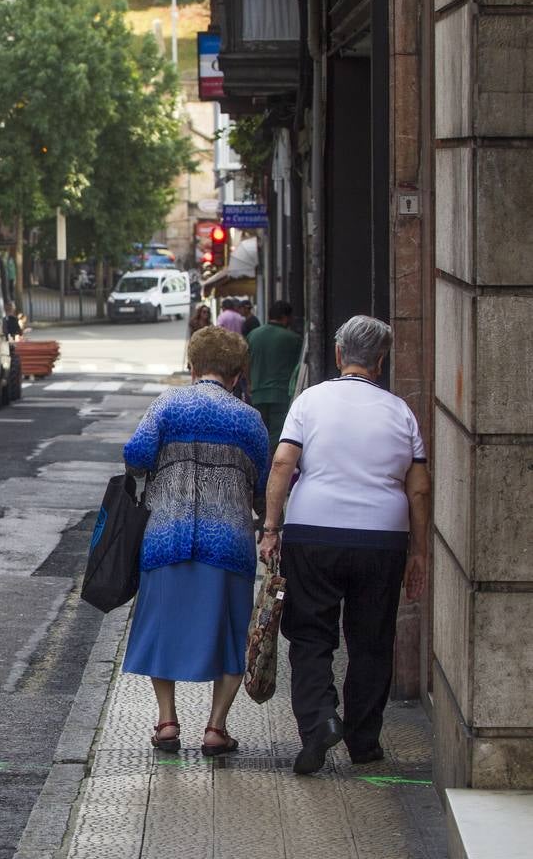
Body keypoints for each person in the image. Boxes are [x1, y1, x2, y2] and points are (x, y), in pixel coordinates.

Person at [259, 316, 429, 775]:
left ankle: (318, 722)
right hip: (383, 540)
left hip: (314, 533)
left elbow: (281, 464)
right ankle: (363, 742)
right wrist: (419, 551)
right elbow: (418, 489)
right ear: (380, 360)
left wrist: (272, 527)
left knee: (310, 634)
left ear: (339, 355)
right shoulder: (401, 412)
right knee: (372, 639)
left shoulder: (310, 402)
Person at [121, 326, 270, 757]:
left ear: (192, 367)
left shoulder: (168, 404)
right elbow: (261, 483)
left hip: (166, 537)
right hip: (227, 543)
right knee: (229, 635)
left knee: (161, 630)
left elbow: (136, 456)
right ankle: (215, 728)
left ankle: (167, 722)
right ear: (239, 374)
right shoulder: (249, 419)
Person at [246, 300, 302, 443]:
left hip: (257, 393)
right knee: (278, 435)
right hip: (281, 394)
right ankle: (273, 464)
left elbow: (245, 363)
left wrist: (249, 384)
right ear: (285, 317)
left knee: (259, 433)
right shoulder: (293, 339)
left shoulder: (253, 335)